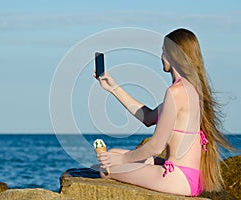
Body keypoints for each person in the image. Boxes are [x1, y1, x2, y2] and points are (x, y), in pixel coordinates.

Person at [94, 28, 232, 196]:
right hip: (190, 176)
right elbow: (148, 117)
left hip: (177, 178)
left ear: (171, 55)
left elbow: (156, 146)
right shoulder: (191, 88)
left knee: (106, 169)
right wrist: (113, 88)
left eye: (163, 51)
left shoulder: (176, 92)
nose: (161, 57)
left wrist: (124, 159)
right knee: (113, 153)